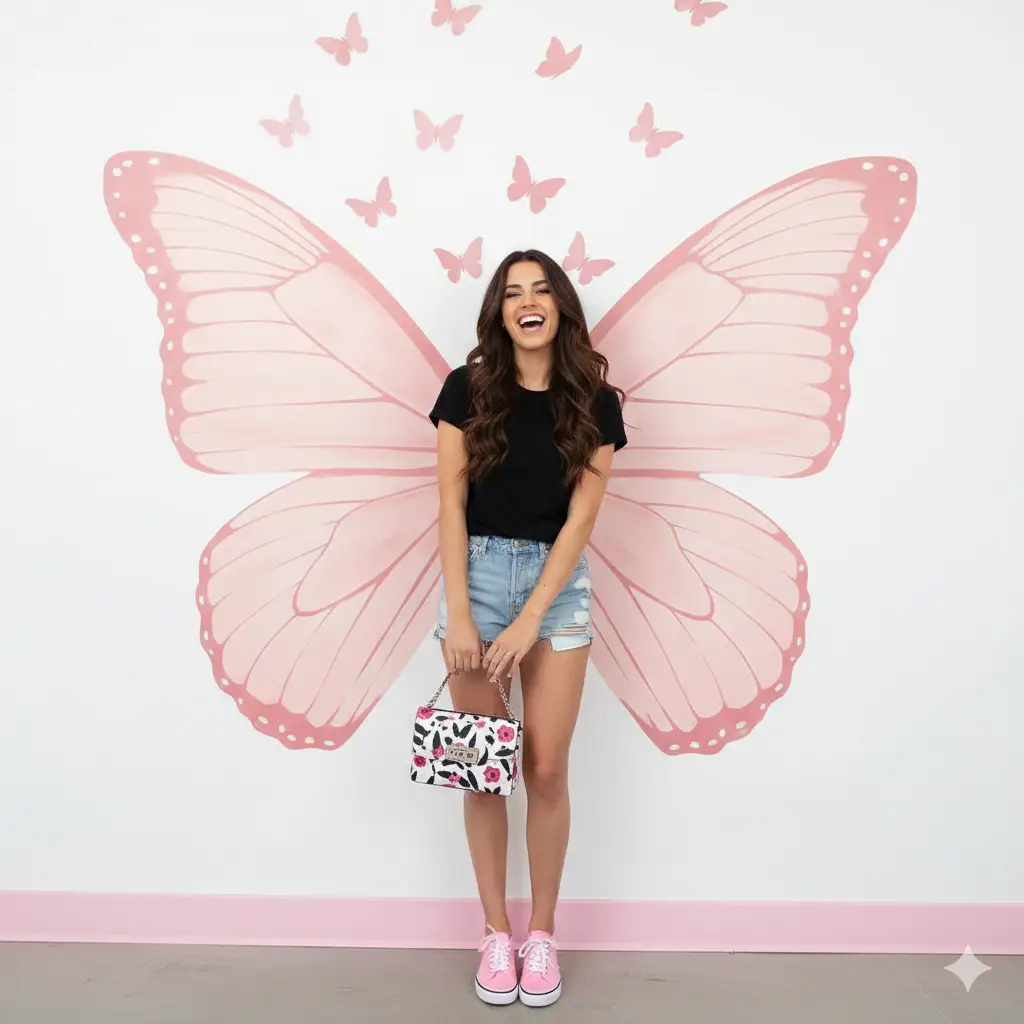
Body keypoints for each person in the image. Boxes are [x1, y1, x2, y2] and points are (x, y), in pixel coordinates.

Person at [429, 249, 627, 1007]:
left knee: (544, 769)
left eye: (541, 289)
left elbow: (583, 517)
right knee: (483, 768)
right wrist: (463, 614)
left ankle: (541, 934)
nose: (527, 302)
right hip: (473, 579)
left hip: (559, 589)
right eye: (513, 293)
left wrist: (532, 616)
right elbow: (448, 503)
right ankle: (494, 934)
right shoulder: (466, 388)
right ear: (500, 312)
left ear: (561, 307)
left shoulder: (595, 401)